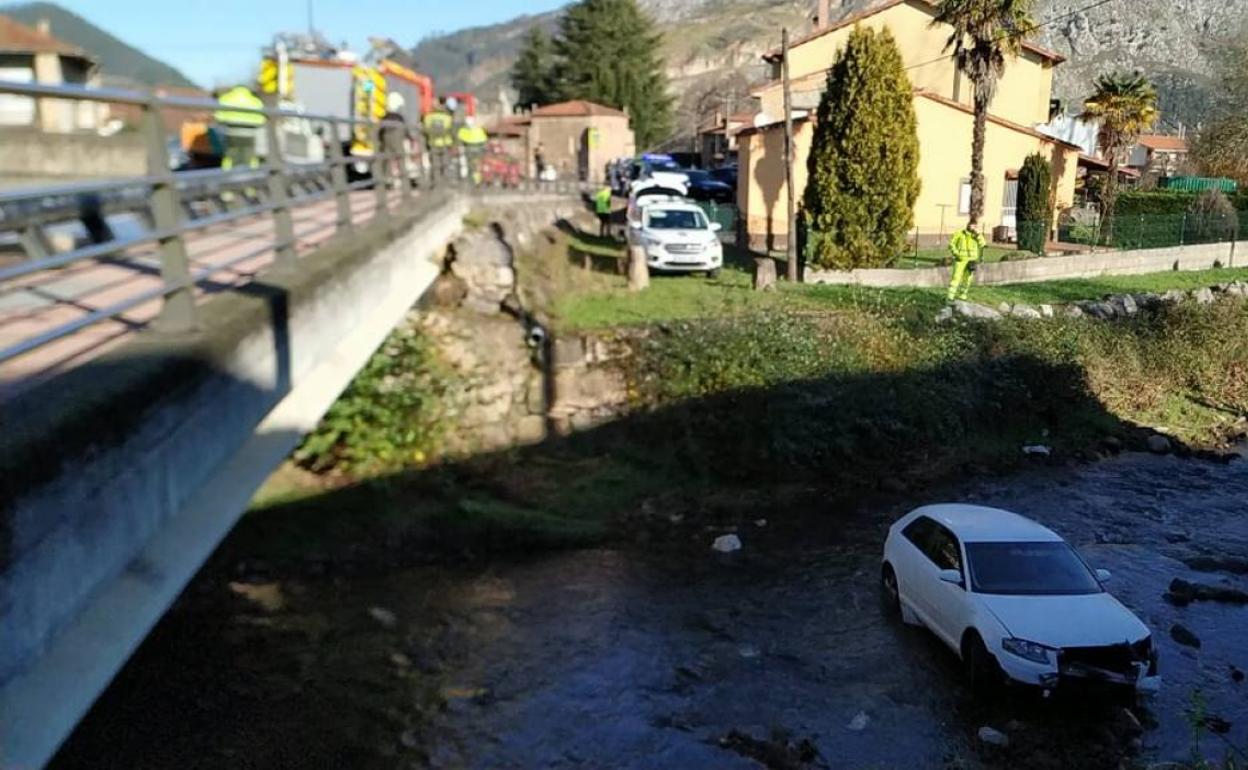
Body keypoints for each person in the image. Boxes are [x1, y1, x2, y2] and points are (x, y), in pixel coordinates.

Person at [212, 84, 266, 170]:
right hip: (250, 133)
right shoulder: (255, 101)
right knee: (249, 155)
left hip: (231, 132)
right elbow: (262, 119)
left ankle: (227, 176)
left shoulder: (226, 98)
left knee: (231, 155)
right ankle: (251, 177)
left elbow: (218, 116)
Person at [947, 223, 986, 303]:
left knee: (967, 279)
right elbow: (951, 244)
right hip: (960, 260)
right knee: (956, 278)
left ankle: (963, 296)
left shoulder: (976, 235)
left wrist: (978, 234)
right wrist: (956, 254)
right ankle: (950, 297)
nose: (973, 227)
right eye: (972, 225)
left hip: (971, 261)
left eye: (975, 225)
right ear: (968, 225)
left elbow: (983, 244)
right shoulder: (959, 233)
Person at [421, 99, 454, 181]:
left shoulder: (428, 117)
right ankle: (446, 181)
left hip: (433, 143)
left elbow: (425, 129)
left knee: (435, 164)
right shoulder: (447, 117)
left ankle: (437, 181)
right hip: (445, 143)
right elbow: (451, 130)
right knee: (445, 163)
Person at [456, 117, 489, 184]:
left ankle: (471, 180)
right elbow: (484, 141)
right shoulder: (479, 130)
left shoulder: (463, 130)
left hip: (469, 150)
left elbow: (460, 141)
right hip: (479, 150)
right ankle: (478, 180)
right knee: (478, 166)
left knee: (470, 166)